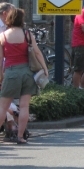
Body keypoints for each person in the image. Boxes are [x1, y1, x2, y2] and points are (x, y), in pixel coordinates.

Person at [0, 8, 48, 144]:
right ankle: (20, 136)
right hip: (27, 72)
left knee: (3, 106)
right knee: (24, 106)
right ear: (21, 19)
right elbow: (37, 53)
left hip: (10, 72)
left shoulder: (3, 36)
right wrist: (44, 68)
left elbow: (0, 58)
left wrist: (1, 76)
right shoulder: (27, 34)